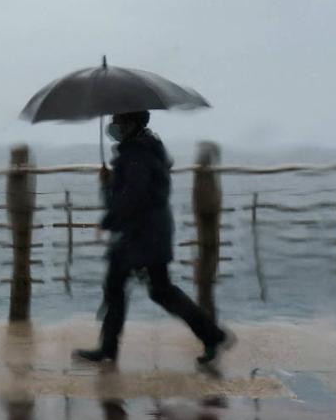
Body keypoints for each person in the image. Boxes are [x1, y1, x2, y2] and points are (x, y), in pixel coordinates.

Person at [73, 111, 231, 365]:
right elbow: (132, 192)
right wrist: (109, 182)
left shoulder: (137, 155)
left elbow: (134, 197)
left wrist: (108, 217)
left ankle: (212, 335)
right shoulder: (141, 151)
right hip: (148, 232)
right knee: (147, 289)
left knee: (137, 289)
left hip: (142, 234)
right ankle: (212, 335)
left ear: (131, 124)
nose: (113, 126)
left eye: (118, 122)